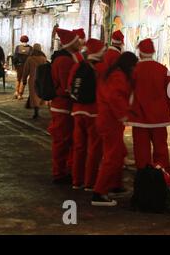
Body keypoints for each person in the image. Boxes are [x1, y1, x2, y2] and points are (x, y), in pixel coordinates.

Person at [92, 51, 138, 206]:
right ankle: (99, 193)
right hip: (110, 121)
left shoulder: (111, 74)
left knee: (115, 155)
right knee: (112, 157)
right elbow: (115, 97)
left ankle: (106, 188)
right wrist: (123, 114)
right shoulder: (118, 76)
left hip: (107, 120)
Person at [127, 38, 170, 174]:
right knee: (161, 149)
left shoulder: (134, 71)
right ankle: (164, 176)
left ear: (140, 52)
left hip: (139, 119)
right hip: (160, 118)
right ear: (153, 52)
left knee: (141, 151)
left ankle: (144, 178)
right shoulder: (163, 69)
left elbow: (128, 93)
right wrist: (166, 109)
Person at [68, 38, 107, 191]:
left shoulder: (78, 66)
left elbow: (70, 86)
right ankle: (90, 183)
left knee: (79, 147)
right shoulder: (102, 68)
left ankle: (76, 181)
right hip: (95, 112)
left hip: (77, 111)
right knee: (94, 149)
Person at [48, 29, 83, 184]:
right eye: (77, 41)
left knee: (66, 140)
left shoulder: (66, 58)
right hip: (63, 106)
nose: (80, 42)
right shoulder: (65, 61)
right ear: (71, 43)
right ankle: (59, 173)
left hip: (63, 105)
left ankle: (64, 170)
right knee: (62, 140)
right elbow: (66, 86)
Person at [21, 43, 47, 119]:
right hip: (42, 79)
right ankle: (37, 108)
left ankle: (36, 111)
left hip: (32, 79)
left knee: (34, 95)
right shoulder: (43, 58)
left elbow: (26, 70)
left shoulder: (30, 58)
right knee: (39, 95)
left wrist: (24, 79)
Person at [13, 35, 32, 99]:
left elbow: (15, 57)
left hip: (19, 65)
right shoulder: (30, 48)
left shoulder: (18, 47)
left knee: (18, 78)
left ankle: (16, 92)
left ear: (21, 40)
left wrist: (14, 65)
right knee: (23, 80)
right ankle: (20, 95)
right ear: (27, 40)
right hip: (26, 66)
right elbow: (31, 58)